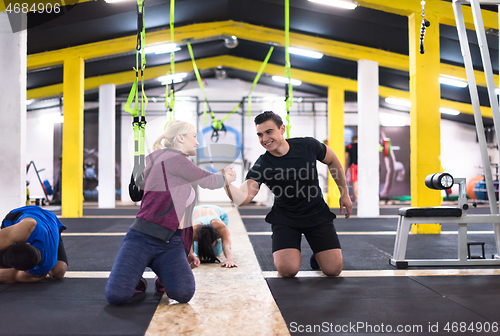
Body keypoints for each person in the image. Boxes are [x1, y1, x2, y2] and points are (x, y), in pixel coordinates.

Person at [105, 120, 236, 305]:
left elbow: (185, 218)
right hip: (141, 238)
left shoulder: (178, 171)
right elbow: (210, 181)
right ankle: (137, 277)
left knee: (183, 293)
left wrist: (186, 251)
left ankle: (161, 275)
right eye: (194, 137)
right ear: (180, 138)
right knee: (116, 296)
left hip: (169, 244)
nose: (197, 143)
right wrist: (228, 177)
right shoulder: (170, 158)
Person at [221, 111, 352, 278]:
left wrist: (344, 193)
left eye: (269, 132)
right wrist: (226, 183)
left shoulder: (308, 145)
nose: (264, 139)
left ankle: (318, 256)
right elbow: (244, 198)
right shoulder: (263, 164)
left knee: (333, 270)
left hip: (316, 213)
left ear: (282, 129)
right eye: (260, 135)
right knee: (287, 271)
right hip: (286, 219)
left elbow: (333, 159)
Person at [0, 205, 68, 283]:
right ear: (27, 244)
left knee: (58, 272)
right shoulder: (26, 228)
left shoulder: (45, 266)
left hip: (51, 222)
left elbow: (14, 276)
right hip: (27, 213)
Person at [345, 135, 358, 203]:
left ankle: (357, 199)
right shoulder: (362, 145)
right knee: (363, 182)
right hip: (362, 166)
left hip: (353, 166)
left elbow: (346, 158)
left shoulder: (349, 146)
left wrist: (345, 168)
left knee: (355, 182)